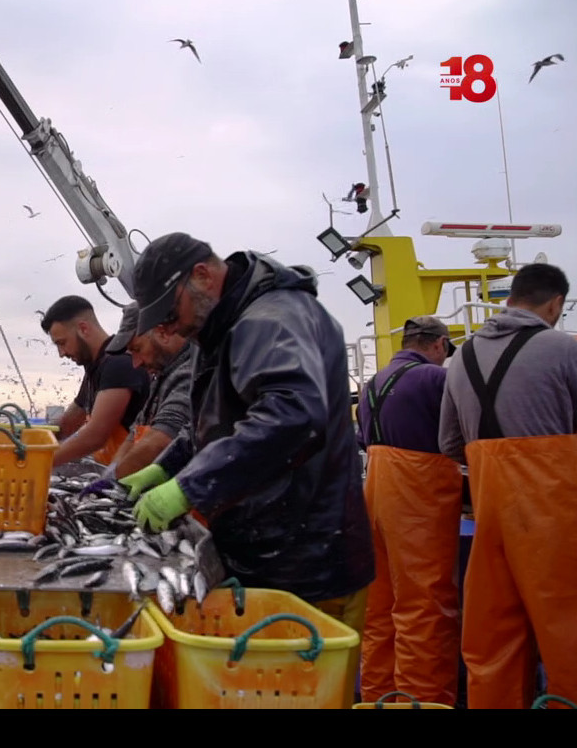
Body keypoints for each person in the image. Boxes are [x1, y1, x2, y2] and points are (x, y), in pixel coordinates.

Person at [119, 232, 375, 696]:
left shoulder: (272, 319)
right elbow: (212, 422)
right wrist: (165, 467)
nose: (170, 329)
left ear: (202, 275)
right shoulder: (222, 327)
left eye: (169, 313)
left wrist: (189, 488)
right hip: (267, 556)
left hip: (308, 563)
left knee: (303, 697)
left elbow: (293, 415)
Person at [438, 263, 577, 709]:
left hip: (490, 510)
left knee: (494, 633)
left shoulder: (459, 358)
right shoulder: (562, 348)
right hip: (555, 510)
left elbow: (449, 443)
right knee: (567, 629)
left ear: (511, 296)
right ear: (555, 303)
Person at [356, 316, 464, 706]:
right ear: (437, 344)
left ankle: (378, 698)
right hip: (418, 503)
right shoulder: (435, 380)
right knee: (425, 608)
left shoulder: (372, 384)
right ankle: (423, 700)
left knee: (381, 610)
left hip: (376, 497)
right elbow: (459, 435)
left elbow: (363, 441)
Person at [40, 295, 150, 468]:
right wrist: (22, 438)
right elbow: (67, 425)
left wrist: (35, 462)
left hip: (134, 475)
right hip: (111, 469)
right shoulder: (95, 367)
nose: (61, 353)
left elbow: (95, 436)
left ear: (83, 328)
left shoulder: (118, 363)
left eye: (62, 343)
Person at [103, 302, 194, 479]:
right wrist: (113, 469)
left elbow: (161, 440)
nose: (136, 363)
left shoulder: (190, 371)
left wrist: (114, 481)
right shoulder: (161, 376)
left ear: (162, 332)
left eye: (137, 349)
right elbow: (135, 431)